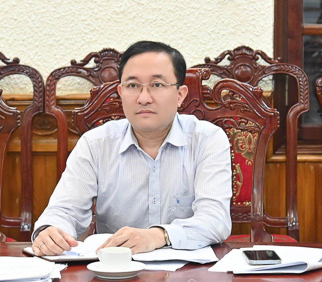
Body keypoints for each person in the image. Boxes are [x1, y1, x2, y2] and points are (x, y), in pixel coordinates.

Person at [32, 41, 232, 255]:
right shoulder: (95, 144)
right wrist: (49, 231)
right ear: (120, 92)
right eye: (133, 86)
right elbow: (64, 210)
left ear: (180, 95)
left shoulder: (207, 140)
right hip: (114, 269)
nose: (143, 98)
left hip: (189, 271)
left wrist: (159, 236)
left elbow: (215, 219)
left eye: (157, 85)